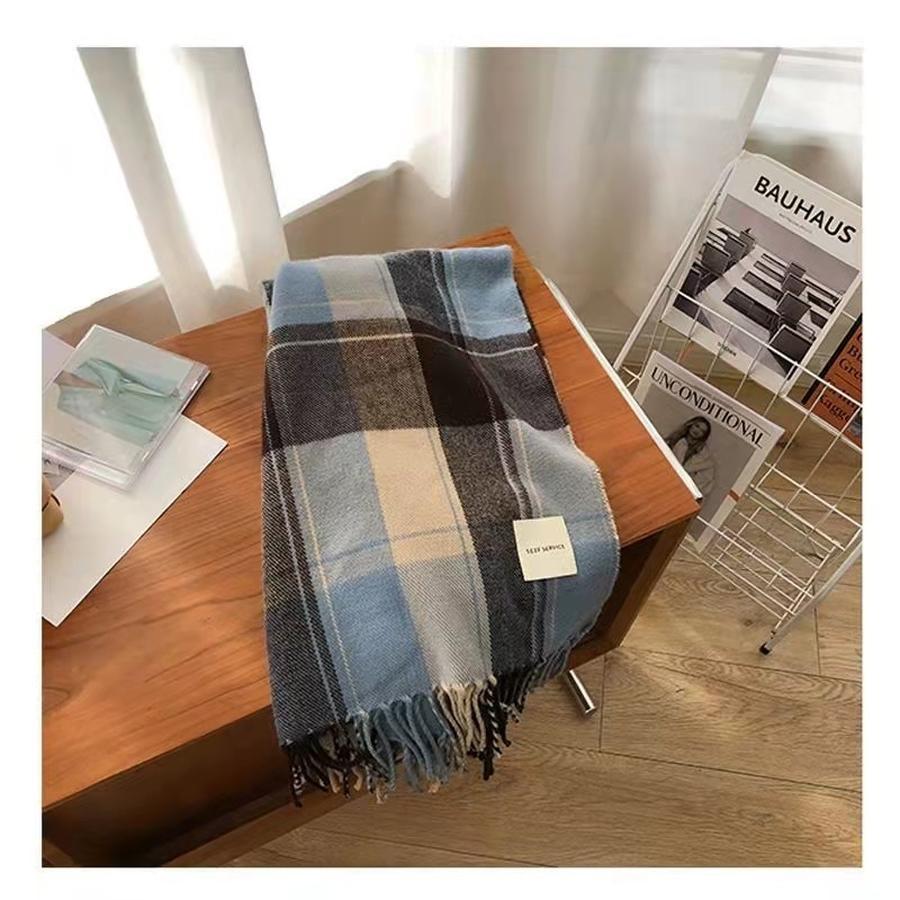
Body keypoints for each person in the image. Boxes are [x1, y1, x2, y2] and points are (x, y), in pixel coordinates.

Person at [665, 416, 716, 496]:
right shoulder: (675, 440)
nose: (697, 431)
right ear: (691, 424)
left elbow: (704, 480)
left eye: (702, 431)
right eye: (697, 426)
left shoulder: (702, 455)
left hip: (679, 491)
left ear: (703, 435)